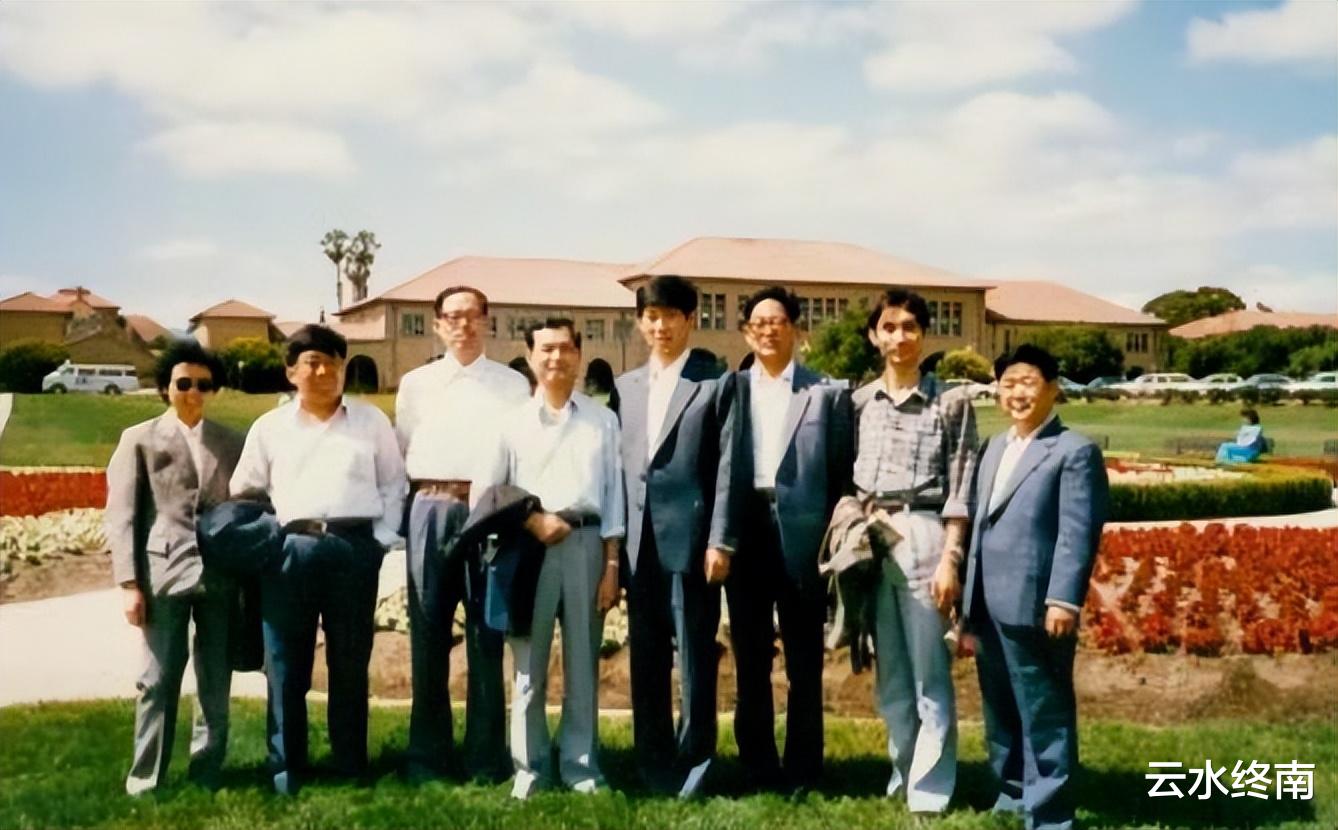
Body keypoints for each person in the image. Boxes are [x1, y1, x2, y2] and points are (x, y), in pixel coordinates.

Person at [230, 324, 406, 795]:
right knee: (285, 664)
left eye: (333, 362)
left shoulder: (371, 422)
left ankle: (350, 763)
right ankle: (286, 767)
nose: (324, 372)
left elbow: (393, 482)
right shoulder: (270, 428)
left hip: (354, 549)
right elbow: (243, 489)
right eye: (313, 363)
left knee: (350, 660)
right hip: (290, 552)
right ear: (292, 372)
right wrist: (273, 537)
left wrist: (381, 538)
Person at [961, 344, 1109, 830]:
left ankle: (1050, 812)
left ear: (1053, 389)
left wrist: (1063, 599)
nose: (1017, 393)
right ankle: (1011, 792)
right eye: (1008, 384)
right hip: (987, 600)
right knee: (1000, 705)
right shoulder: (994, 447)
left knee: (1044, 709)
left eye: (1028, 382)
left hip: (1036, 603)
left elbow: (1077, 531)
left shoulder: (1073, 451)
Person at [478, 318, 625, 799]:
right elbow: (490, 492)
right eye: (546, 349)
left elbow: (614, 496)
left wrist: (611, 565)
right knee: (528, 669)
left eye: (565, 348)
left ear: (579, 355)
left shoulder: (603, 420)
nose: (556, 357)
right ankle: (531, 768)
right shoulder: (510, 423)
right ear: (530, 356)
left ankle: (581, 767)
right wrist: (532, 521)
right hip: (529, 550)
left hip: (586, 545)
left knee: (582, 666)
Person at [718, 286, 853, 791]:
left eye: (778, 322)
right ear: (746, 332)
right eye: (759, 323)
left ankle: (803, 766)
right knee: (751, 654)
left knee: (804, 656)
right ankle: (756, 763)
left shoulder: (826, 393)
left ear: (797, 329)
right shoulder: (730, 390)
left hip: (804, 534)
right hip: (748, 527)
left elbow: (841, 471)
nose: (768, 331)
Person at [395, 286, 530, 783]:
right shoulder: (416, 384)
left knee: (485, 634)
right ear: (437, 325)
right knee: (428, 632)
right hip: (430, 506)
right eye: (452, 317)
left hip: (490, 510)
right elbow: (404, 448)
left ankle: (485, 758)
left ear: (487, 321)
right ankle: (427, 757)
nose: (463, 325)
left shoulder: (513, 384)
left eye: (472, 316)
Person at [852, 288, 977, 813]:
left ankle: (931, 789)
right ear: (874, 335)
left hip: (924, 532)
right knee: (892, 673)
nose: (899, 337)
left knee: (929, 670)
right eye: (889, 327)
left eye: (909, 327)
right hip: (871, 538)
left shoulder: (951, 402)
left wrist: (951, 557)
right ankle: (902, 772)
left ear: (923, 335)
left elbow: (962, 485)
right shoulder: (860, 402)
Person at [105, 341, 243, 795]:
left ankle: (208, 772)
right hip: (162, 573)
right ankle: (146, 779)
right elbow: (122, 515)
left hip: (220, 574)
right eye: (184, 383)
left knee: (215, 679)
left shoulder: (231, 441)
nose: (193, 392)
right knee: (158, 680)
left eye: (204, 384)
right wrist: (129, 583)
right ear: (166, 387)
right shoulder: (139, 439)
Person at [613, 275, 733, 797]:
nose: (660, 326)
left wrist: (720, 539)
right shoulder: (625, 387)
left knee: (695, 656)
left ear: (689, 320)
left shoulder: (715, 382)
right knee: (646, 656)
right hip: (638, 543)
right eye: (651, 316)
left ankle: (695, 761)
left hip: (692, 540)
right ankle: (651, 758)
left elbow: (728, 467)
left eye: (670, 316)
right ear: (641, 322)